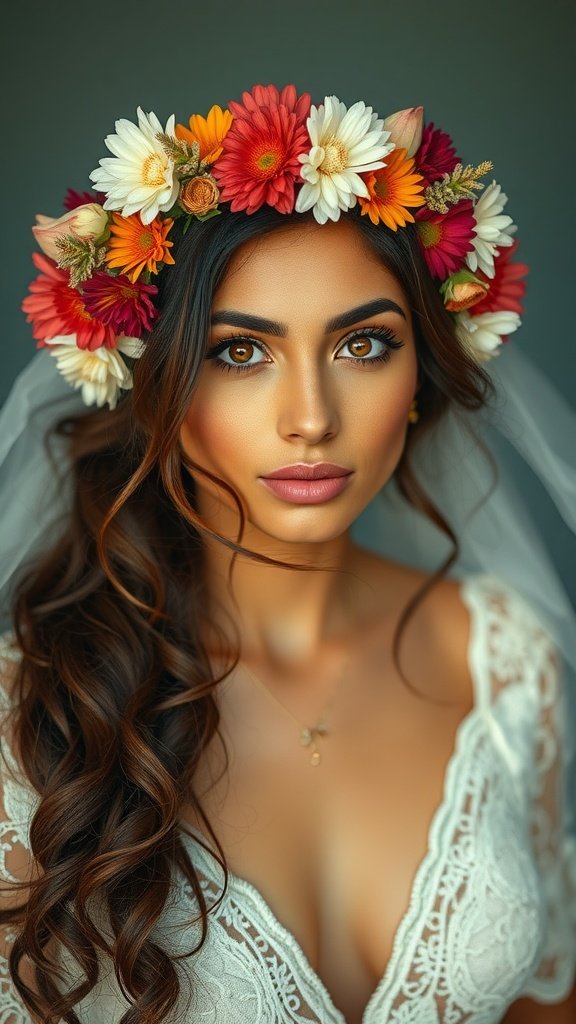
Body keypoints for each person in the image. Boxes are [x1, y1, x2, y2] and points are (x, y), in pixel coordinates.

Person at [0, 85, 575, 1024]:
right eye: (239, 353)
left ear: (422, 374)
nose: (311, 417)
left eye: (363, 344)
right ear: (155, 384)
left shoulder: (503, 658)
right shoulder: (26, 720)